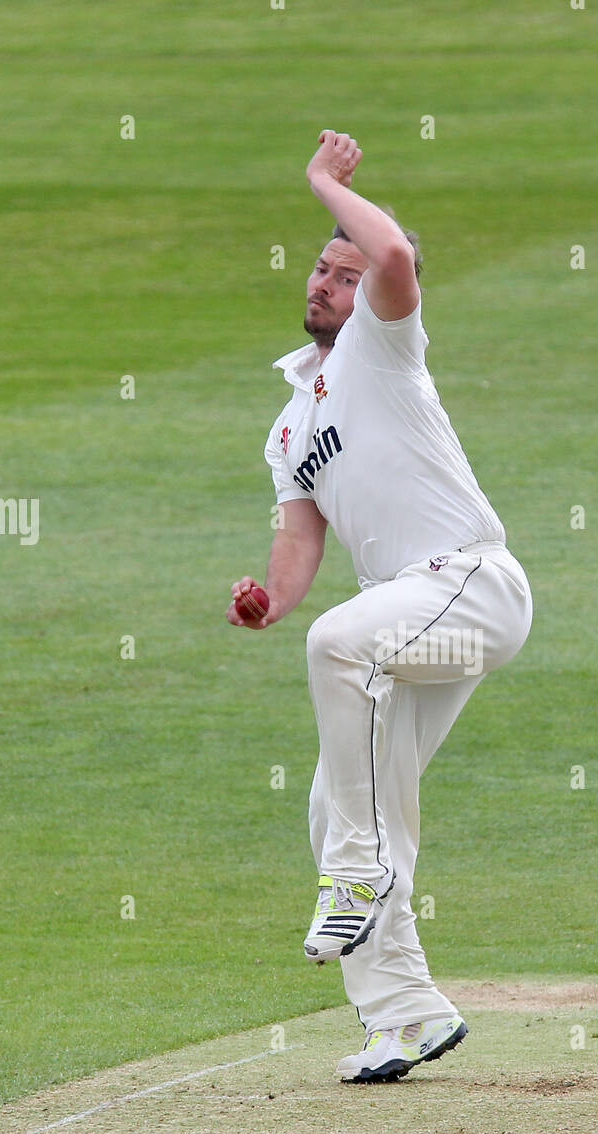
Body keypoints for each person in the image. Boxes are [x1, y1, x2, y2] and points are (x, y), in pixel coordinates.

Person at [227, 130, 532, 1083]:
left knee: (338, 646)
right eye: (322, 268)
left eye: (343, 273)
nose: (327, 282)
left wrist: (323, 183)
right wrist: (270, 599)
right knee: (336, 796)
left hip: (471, 584)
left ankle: (357, 873)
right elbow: (302, 536)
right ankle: (404, 1013)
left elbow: (394, 255)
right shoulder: (293, 414)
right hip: (405, 616)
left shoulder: (384, 344)